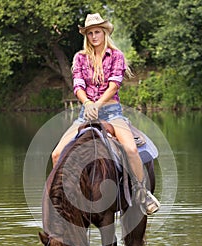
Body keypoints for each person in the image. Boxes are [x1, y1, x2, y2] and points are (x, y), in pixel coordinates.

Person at [52, 13, 160, 215]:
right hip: (86, 114)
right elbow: (78, 85)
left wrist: (98, 104)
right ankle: (63, 197)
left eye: (97, 32)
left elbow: (114, 85)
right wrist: (87, 103)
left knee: (131, 149)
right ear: (86, 36)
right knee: (57, 153)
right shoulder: (80, 57)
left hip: (111, 112)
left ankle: (141, 192)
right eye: (90, 33)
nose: (94, 36)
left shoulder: (116, 56)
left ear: (104, 33)